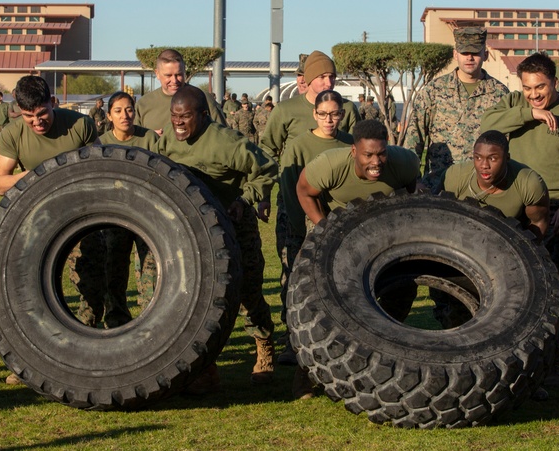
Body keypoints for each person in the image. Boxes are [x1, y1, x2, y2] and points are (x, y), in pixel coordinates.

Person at [480, 52, 559, 383]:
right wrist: (529, 113)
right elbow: (487, 127)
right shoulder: (516, 106)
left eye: (541, 87)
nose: (535, 93)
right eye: (528, 87)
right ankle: (547, 359)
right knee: (536, 289)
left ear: (555, 82)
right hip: (525, 206)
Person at [155, 85, 278, 392]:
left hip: (234, 224)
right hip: (193, 231)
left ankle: (263, 345)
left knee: (248, 291)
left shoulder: (226, 142)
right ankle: (204, 366)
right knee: (198, 298)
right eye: (174, 117)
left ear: (204, 115)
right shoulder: (168, 141)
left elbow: (266, 169)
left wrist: (244, 199)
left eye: (185, 116)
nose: (179, 123)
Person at [295, 118, 421, 397]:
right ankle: (306, 373)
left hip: (380, 229)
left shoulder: (405, 162)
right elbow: (304, 191)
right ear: (354, 152)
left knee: (402, 289)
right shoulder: (330, 165)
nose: (376, 161)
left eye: (381, 153)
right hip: (332, 223)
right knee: (315, 296)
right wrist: (324, 227)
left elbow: (412, 192)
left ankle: (379, 358)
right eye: (368, 155)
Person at [0, 75, 100, 383]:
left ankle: (86, 353)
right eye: (29, 117)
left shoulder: (80, 126)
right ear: (18, 111)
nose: (37, 122)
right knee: (26, 292)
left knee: (89, 286)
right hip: (34, 221)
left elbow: (101, 169)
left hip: (81, 216)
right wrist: (38, 175)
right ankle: (28, 361)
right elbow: (0, 182)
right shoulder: (12, 134)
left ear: (53, 103)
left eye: (42, 114)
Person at [275, 90, 353, 365]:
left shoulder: (350, 144)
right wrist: (296, 228)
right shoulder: (299, 145)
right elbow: (288, 189)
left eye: (334, 114)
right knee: (294, 281)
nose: (328, 120)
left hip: (337, 222)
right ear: (314, 114)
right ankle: (291, 342)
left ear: (342, 115)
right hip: (298, 222)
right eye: (323, 114)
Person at [402, 26, 509, 191]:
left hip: (483, 186)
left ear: (485, 55)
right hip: (438, 184)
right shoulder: (434, 90)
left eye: (475, 53)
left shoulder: (500, 94)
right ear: (455, 54)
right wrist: (413, 180)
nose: (469, 58)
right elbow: (414, 137)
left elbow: (507, 141)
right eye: (464, 53)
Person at [95, 91, 159, 326]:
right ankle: (116, 321)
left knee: (150, 270)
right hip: (115, 217)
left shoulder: (149, 139)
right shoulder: (101, 143)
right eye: (119, 111)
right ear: (109, 115)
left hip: (147, 215)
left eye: (129, 110)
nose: (125, 115)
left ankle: (151, 321)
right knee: (114, 270)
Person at [442, 130, 549, 240]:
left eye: (492, 158)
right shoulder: (455, 176)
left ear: (507, 158)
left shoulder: (528, 183)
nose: (484, 165)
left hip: (506, 242)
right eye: (478, 157)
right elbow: (434, 213)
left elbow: (538, 223)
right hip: (458, 238)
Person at [134, 49, 226, 133]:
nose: (174, 81)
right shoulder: (143, 105)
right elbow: (134, 141)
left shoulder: (203, 99)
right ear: (157, 74)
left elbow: (224, 136)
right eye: (168, 75)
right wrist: (150, 137)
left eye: (178, 75)